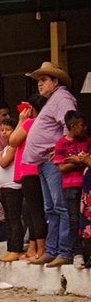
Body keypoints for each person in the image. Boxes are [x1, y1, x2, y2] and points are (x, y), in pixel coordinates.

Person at [22, 62, 77, 266]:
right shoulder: (53, 100)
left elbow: (70, 124)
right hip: (44, 162)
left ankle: (64, 250)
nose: (39, 84)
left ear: (56, 81)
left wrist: (61, 150)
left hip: (53, 162)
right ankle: (53, 250)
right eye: (38, 80)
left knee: (60, 207)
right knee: (51, 208)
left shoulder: (62, 98)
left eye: (44, 79)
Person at [10, 94, 49, 262]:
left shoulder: (30, 122)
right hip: (38, 170)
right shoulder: (46, 124)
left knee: (35, 212)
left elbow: (12, 140)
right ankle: (33, 248)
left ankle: (40, 250)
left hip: (29, 170)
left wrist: (20, 120)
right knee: (34, 211)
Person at [53, 110, 90, 269]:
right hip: (70, 187)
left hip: (86, 186)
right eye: (82, 125)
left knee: (85, 221)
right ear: (73, 127)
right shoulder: (61, 143)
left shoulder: (87, 141)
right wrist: (79, 161)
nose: (85, 128)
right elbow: (61, 167)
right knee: (74, 219)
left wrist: (78, 160)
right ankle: (77, 253)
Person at [0, 118, 26, 262]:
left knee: (14, 219)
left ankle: (16, 249)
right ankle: (10, 248)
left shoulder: (13, 147)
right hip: (5, 188)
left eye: (8, 130)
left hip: (14, 188)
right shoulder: (5, 149)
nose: (4, 133)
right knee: (9, 221)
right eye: (2, 130)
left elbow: (4, 163)